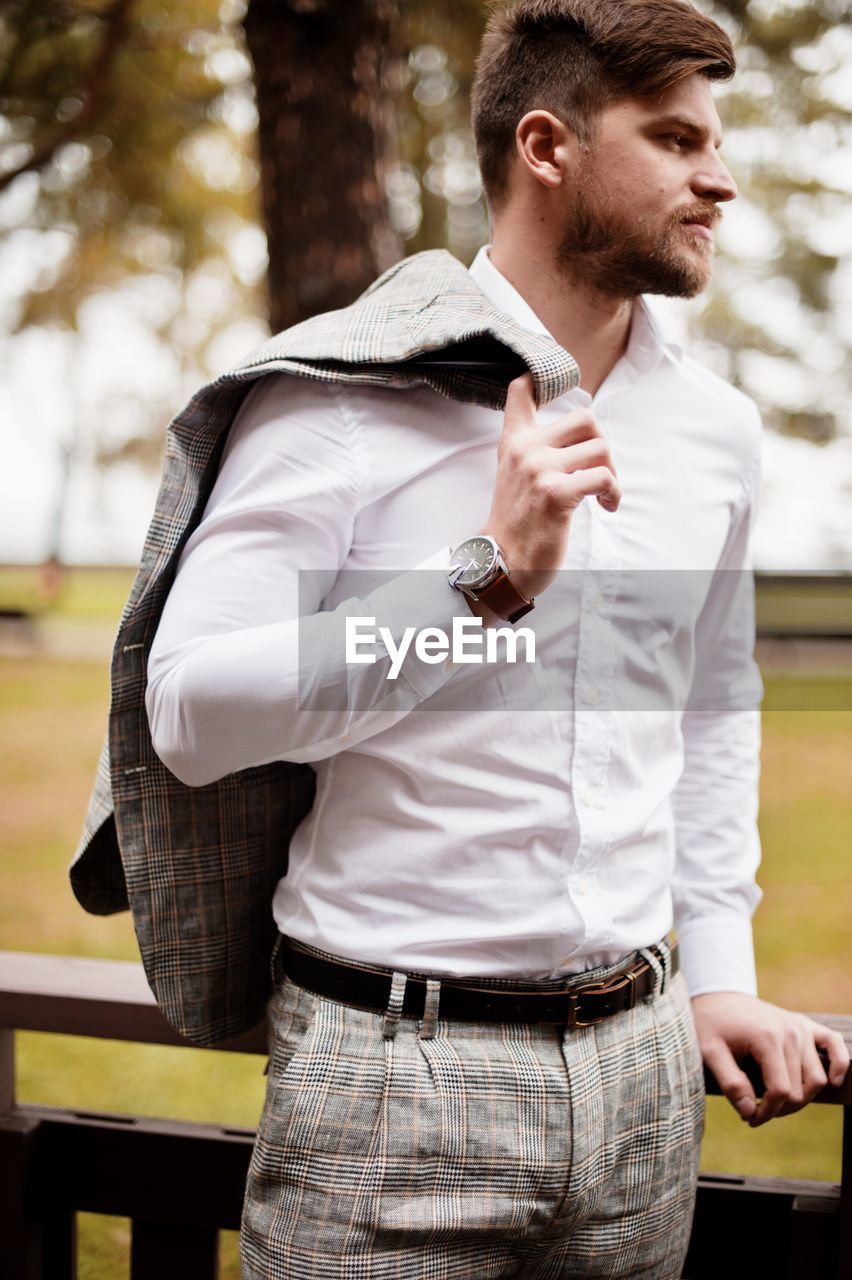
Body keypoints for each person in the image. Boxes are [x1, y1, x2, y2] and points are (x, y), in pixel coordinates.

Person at [84, 0, 849, 1276]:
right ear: (546, 147)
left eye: (716, 141)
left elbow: (711, 710)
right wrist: (480, 584)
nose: (719, 177)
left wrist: (719, 969)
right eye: (673, 139)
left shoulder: (718, 431)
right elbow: (192, 711)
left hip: (645, 1088)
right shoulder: (336, 400)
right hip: (390, 1086)